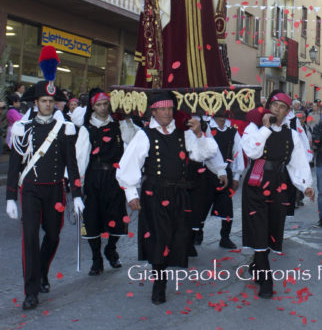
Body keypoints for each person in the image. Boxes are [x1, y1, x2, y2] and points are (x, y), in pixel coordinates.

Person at [117, 91, 219, 305]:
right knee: (158, 237)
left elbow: (205, 154)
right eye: (162, 109)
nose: (167, 113)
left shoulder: (184, 133)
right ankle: (159, 282)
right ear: (153, 112)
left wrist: (200, 133)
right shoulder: (145, 135)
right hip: (155, 193)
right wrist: (131, 193)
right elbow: (129, 164)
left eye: (170, 108)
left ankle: (164, 273)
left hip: (179, 193)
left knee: (177, 236)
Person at [5, 81, 84, 310]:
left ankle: (42, 271)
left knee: (53, 235)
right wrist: (10, 197)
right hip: (30, 189)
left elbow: (72, 163)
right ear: (36, 103)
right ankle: (31, 292)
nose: (48, 105)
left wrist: (77, 194)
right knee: (29, 238)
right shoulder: (23, 128)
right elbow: (14, 165)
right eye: (44, 101)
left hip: (55, 190)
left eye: (51, 101)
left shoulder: (64, 128)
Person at [241, 92, 314, 298]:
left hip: (278, 184)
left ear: (287, 112)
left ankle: (257, 264)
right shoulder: (254, 128)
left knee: (271, 228)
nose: (277, 109)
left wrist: (305, 185)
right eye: (274, 105)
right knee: (258, 227)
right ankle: (266, 279)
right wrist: (265, 128)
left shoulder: (291, 135)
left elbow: (298, 162)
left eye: (282, 107)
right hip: (256, 183)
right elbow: (252, 152)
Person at [75, 89, 130, 276]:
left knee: (117, 215)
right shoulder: (87, 129)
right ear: (93, 107)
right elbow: (81, 157)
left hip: (114, 178)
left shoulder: (118, 126)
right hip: (94, 178)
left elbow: (131, 144)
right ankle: (96, 258)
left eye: (105, 104)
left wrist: (128, 121)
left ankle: (111, 248)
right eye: (99, 105)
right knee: (92, 218)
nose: (103, 108)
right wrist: (77, 185)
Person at [192, 111, 241, 249]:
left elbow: (237, 153)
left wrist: (236, 175)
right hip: (206, 174)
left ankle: (225, 237)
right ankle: (198, 234)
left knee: (226, 205)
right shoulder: (205, 125)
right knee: (202, 205)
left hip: (224, 171)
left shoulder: (232, 131)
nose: (222, 116)